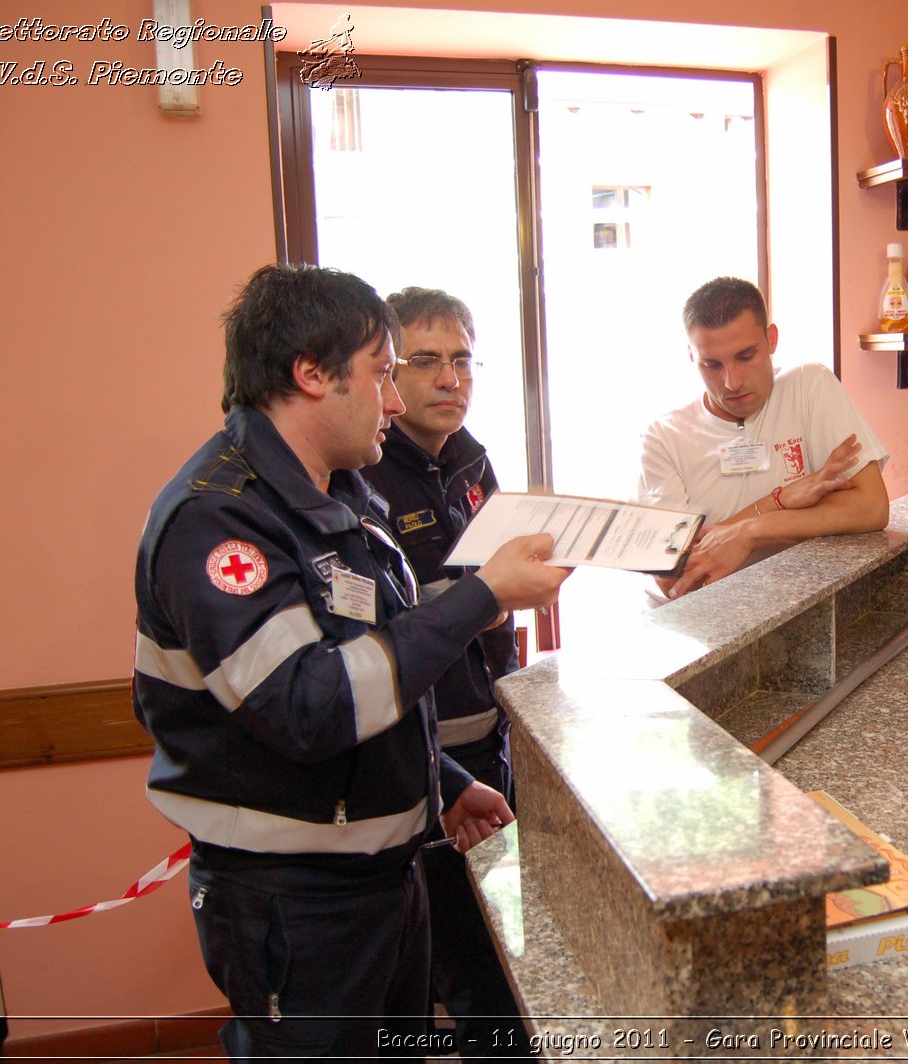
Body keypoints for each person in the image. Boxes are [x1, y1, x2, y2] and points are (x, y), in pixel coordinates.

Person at [133, 265, 568, 1059]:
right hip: (295, 902)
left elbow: (374, 665)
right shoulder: (219, 520)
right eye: (382, 373)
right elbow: (310, 706)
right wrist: (483, 596)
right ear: (310, 374)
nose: (397, 400)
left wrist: (441, 781)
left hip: (382, 877)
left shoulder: (339, 497)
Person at [363, 287, 527, 1057]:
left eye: (462, 360)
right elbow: (396, 633)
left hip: (493, 744)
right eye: (425, 361)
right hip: (422, 765)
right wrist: (483, 598)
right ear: (390, 376)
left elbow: (494, 598)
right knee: (463, 974)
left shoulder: (471, 460)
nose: (448, 379)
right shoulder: (363, 474)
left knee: (509, 955)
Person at [637, 276, 890, 599]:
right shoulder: (663, 437)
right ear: (691, 357)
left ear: (771, 339)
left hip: (790, 611)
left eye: (746, 356)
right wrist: (778, 501)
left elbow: (871, 507)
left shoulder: (809, 386)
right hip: (697, 626)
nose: (732, 382)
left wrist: (751, 531)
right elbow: (675, 573)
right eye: (711, 364)